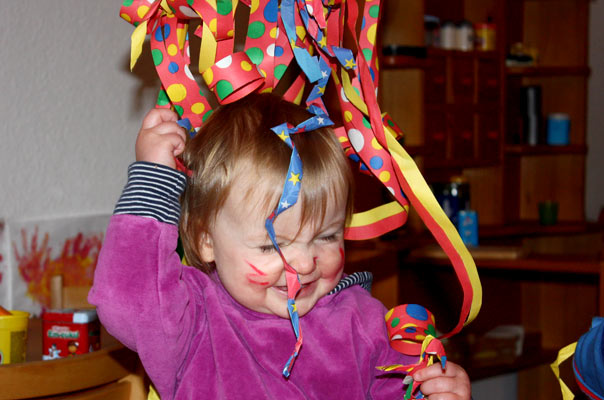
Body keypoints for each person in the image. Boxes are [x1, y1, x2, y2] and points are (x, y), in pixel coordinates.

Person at [89, 93, 471, 399]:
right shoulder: (190, 318)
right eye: (272, 245)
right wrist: (153, 178)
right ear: (206, 239)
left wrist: (434, 393)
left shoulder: (360, 321)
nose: (304, 263)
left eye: (326, 236)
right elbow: (127, 298)